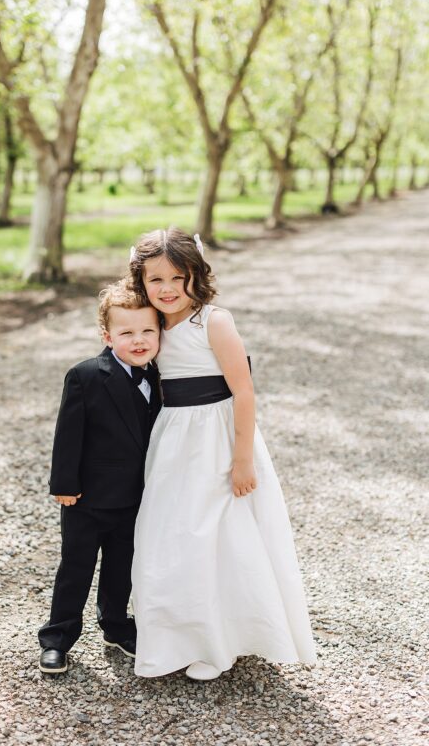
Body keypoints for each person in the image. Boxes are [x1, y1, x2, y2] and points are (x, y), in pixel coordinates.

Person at [128, 227, 317, 680]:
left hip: (218, 439)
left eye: (178, 277)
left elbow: (244, 391)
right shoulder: (150, 323)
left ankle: (221, 643)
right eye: (156, 280)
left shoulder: (213, 321)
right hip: (173, 440)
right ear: (142, 282)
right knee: (169, 535)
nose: (168, 289)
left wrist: (242, 458)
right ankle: (176, 635)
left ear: (197, 274)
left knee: (218, 538)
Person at [37, 279, 161, 675]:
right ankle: (57, 637)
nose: (138, 340)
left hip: (136, 498)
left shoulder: (161, 376)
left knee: (121, 566)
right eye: (127, 333)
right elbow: (68, 435)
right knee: (76, 567)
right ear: (108, 336)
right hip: (88, 498)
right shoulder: (86, 376)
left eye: (147, 331)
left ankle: (116, 625)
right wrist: (64, 485)